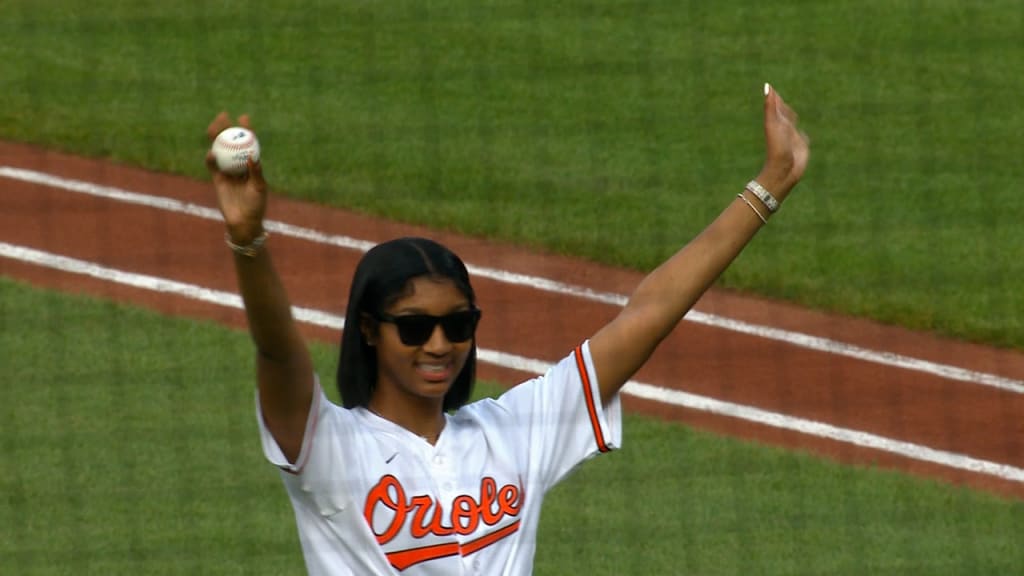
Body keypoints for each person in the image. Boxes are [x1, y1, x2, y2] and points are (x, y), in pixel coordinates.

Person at [205, 83, 809, 575]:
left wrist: (771, 183)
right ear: (369, 330)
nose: (439, 344)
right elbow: (279, 352)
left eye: (457, 323)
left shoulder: (513, 433)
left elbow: (646, 315)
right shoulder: (329, 449)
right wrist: (247, 242)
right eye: (414, 329)